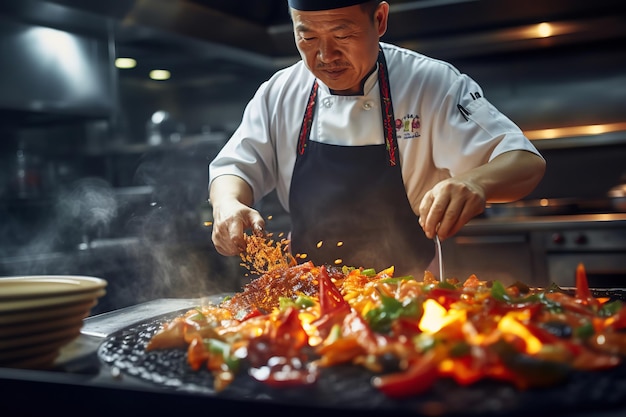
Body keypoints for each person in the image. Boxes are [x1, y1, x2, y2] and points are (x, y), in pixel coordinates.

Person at [208, 0, 546, 277]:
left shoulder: (432, 83)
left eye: (342, 35)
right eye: (307, 38)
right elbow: (235, 166)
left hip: (412, 290)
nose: (325, 55)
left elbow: (523, 161)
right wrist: (228, 204)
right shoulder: (280, 92)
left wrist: (476, 183)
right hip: (307, 295)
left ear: (380, 19)